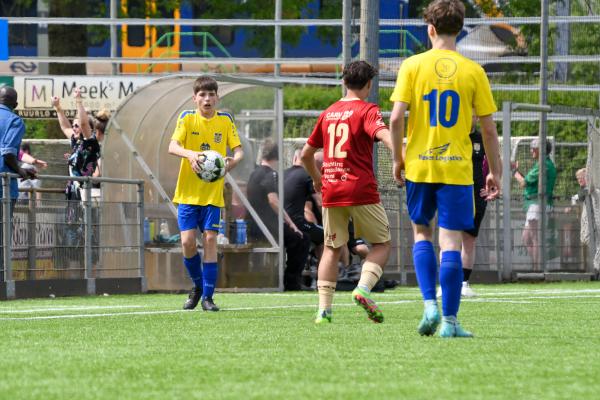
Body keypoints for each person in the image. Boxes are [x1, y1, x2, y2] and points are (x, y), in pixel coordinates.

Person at [389, 0, 502, 338]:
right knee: (450, 242)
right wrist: (493, 171)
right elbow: (489, 130)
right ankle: (450, 323)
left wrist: (398, 159)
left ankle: (428, 305)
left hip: (420, 166)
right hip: (457, 170)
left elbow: (395, 119)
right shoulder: (473, 71)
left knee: (421, 233)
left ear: (430, 29)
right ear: (460, 28)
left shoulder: (412, 66)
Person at [301, 60, 394, 324]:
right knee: (382, 244)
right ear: (368, 85)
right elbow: (384, 135)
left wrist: (317, 179)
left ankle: (323, 311)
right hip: (360, 188)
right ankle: (363, 289)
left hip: (332, 189)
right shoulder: (367, 110)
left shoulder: (328, 112)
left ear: (344, 81)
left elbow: (307, 154)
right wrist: (400, 156)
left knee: (331, 248)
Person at [168, 76, 243, 312]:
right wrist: (190, 155)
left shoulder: (225, 120)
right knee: (187, 243)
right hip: (188, 195)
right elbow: (172, 147)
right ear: (195, 98)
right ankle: (198, 286)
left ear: (217, 97)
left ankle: (208, 298)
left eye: (211, 94)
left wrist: (229, 164)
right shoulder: (187, 119)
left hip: (212, 195)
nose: (207, 99)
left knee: (210, 241)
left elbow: (239, 152)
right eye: (202, 95)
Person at [247, 140, 310, 291]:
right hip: (266, 227)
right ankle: (292, 281)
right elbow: (273, 201)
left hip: (253, 224)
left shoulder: (254, 173)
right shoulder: (271, 174)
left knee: (295, 236)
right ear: (278, 157)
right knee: (301, 238)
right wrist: (291, 224)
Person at [0, 86, 35, 279]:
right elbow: (7, 155)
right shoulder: (14, 120)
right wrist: (23, 172)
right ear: (15, 104)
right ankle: (3, 283)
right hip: (3, 190)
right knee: (2, 237)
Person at [512, 138, 557, 268]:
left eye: (534, 148)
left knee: (536, 238)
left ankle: (537, 269)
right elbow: (526, 181)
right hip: (536, 205)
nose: (531, 150)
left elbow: (523, 183)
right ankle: (536, 266)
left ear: (541, 150)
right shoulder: (544, 164)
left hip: (538, 205)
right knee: (526, 238)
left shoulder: (543, 165)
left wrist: (514, 171)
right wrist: (517, 172)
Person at [284, 149, 324, 260]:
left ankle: (310, 262)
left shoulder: (282, 174)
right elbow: (320, 202)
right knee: (328, 237)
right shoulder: (308, 176)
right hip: (297, 223)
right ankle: (321, 273)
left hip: (280, 223)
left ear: (294, 159)